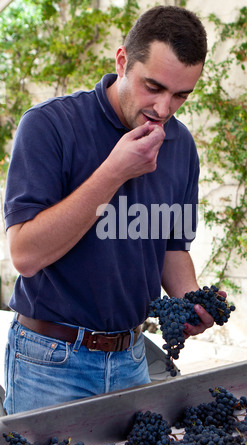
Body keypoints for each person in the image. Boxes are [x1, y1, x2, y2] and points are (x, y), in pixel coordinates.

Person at [3, 5, 221, 415]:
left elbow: (172, 247)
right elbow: (25, 255)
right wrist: (115, 172)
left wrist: (191, 300)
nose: (163, 108)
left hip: (133, 357)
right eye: (153, 87)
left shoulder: (181, 145)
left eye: (181, 95)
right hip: (49, 361)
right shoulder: (50, 126)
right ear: (122, 61)